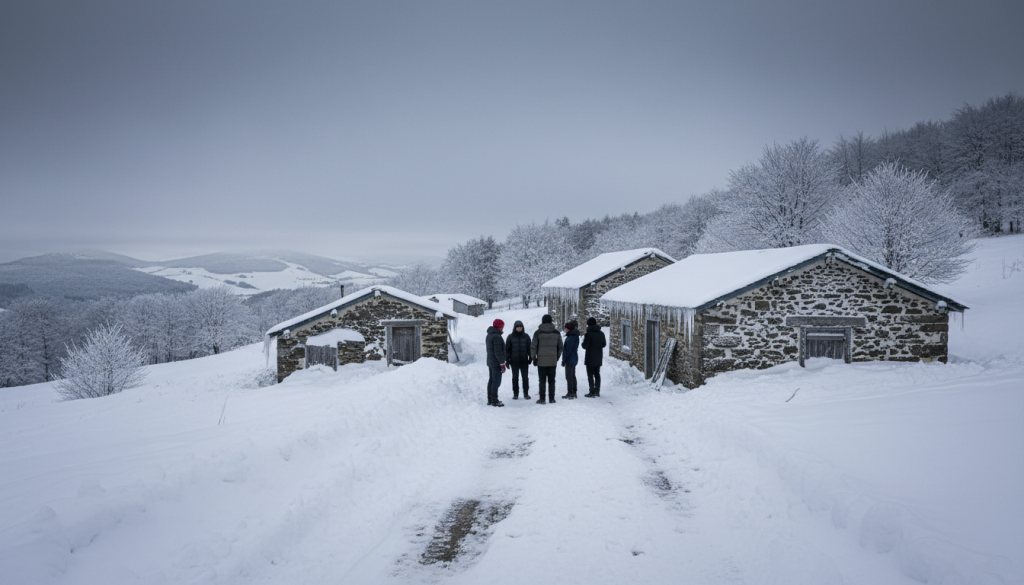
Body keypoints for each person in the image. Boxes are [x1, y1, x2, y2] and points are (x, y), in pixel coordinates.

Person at [530, 314, 563, 404]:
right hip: (552, 360)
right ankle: (552, 398)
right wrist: (556, 357)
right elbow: (560, 346)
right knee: (552, 380)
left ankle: (542, 399)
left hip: (541, 361)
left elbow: (533, 346)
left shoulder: (538, 332)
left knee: (542, 380)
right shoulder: (556, 332)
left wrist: (534, 358)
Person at [504, 320, 532, 400]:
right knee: (515, 378)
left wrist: (531, 357)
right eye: (517, 327)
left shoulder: (526, 336)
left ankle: (526, 394)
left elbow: (529, 348)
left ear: (522, 328)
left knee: (525, 377)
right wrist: (507, 360)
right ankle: (515, 394)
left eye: (520, 327)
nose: (519, 329)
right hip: (514, 361)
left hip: (524, 361)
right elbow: (507, 350)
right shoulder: (510, 337)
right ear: (515, 328)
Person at [581, 316, 606, 397]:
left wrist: (583, 343)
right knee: (597, 374)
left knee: (590, 375)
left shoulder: (588, 334)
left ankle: (592, 391)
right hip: (598, 356)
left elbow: (585, 346)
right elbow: (604, 344)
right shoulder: (601, 333)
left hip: (590, 357)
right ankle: (597, 391)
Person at [485, 319, 506, 407]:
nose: (502, 328)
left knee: (492, 381)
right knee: (496, 382)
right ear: (499, 327)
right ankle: (494, 400)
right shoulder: (497, 337)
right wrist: (502, 363)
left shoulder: (489, 335)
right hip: (496, 363)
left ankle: (490, 399)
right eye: (501, 327)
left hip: (491, 361)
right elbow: (498, 352)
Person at [561, 320, 580, 399]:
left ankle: (571, 392)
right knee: (572, 375)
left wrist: (564, 360)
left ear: (569, 329)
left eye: (566, 328)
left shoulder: (571, 337)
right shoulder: (574, 336)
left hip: (570, 359)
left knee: (569, 376)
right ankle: (574, 391)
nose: (565, 329)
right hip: (573, 358)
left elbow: (568, 350)